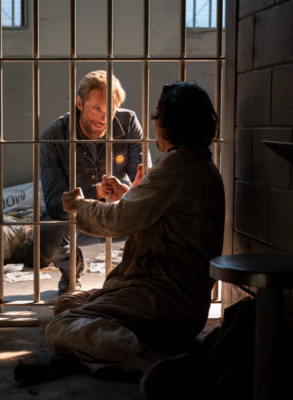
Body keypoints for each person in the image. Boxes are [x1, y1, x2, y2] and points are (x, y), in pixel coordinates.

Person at [33, 81, 225, 399]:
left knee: (61, 327)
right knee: (68, 303)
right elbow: (153, 213)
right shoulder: (195, 163)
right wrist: (129, 195)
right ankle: (117, 358)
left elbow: (121, 220)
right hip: (168, 294)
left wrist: (81, 207)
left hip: (165, 298)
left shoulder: (176, 167)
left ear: (169, 124)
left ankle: (153, 361)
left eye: (158, 114)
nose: (153, 120)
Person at [20, 70, 150, 295]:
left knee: (157, 219)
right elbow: (54, 203)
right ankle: (72, 267)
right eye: (97, 108)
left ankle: (136, 280)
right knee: (42, 245)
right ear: (79, 103)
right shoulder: (54, 137)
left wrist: (129, 191)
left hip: (118, 213)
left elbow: (148, 188)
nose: (103, 117)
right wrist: (95, 192)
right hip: (76, 219)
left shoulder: (128, 123)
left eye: (110, 110)